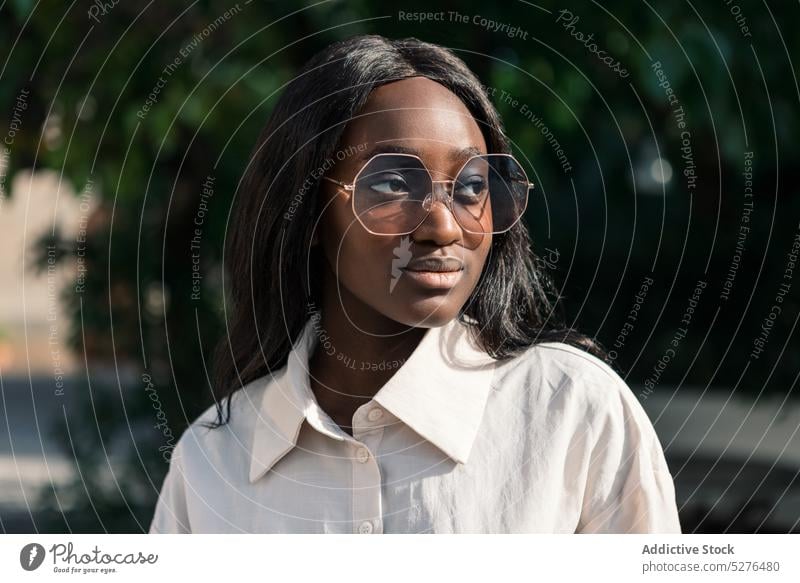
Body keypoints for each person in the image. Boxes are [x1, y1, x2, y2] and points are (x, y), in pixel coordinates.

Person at [148, 34, 681, 534]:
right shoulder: (211, 465)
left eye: (472, 186)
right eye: (394, 183)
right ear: (307, 210)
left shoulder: (574, 414)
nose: (444, 227)